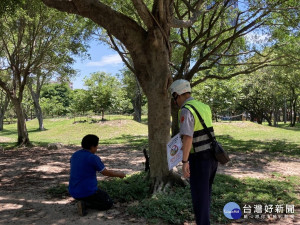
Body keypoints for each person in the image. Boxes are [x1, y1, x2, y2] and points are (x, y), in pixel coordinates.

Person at [169, 79, 218, 225]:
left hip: (199, 159)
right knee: (205, 195)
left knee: (199, 198)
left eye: (174, 97)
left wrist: (184, 162)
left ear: (178, 94)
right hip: (212, 157)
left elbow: (188, 137)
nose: (175, 102)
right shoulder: (204, 106)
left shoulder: (186, 109)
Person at [69, 134, 126, 216]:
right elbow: (106, 173)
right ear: (92, 147)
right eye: (96, 146)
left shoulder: (75, 155)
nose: (97, 148)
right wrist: (119, 174)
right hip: (87, 191)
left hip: (73, 191)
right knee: (108, 203)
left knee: (99, 195)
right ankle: (85, 204)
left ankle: (82, 201)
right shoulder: (92, 157)